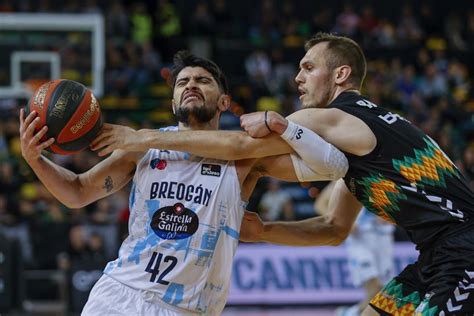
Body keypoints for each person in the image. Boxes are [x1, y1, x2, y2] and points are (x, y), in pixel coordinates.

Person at [92, 32, 474, 314]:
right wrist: (265, 231)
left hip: (463, 250)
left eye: (308, 68)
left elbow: (242, 147)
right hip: (435, 255)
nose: (297, 78)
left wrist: (142, 137)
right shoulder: (368, 139)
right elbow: (334, 228)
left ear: (340, 75)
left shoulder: (331, 117)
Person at [20, 51, 346, 315]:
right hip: (122, 296)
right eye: (182, 82)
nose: (190, 85)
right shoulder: (142, 148)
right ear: (173, 102)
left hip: (192, 309)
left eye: (203, 81)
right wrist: (35, 158)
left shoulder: (246, 156)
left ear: (223, 102)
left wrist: (286, 128)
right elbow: (76, 193)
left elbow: (330, 166)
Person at [315, 182, 394, 315]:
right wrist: (341, 221)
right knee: (375, 289)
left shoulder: (385, 174)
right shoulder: (347, 177)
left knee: (382, 293)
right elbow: (320, 204)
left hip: (383, 239)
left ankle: (349, 313)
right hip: (361, 240)